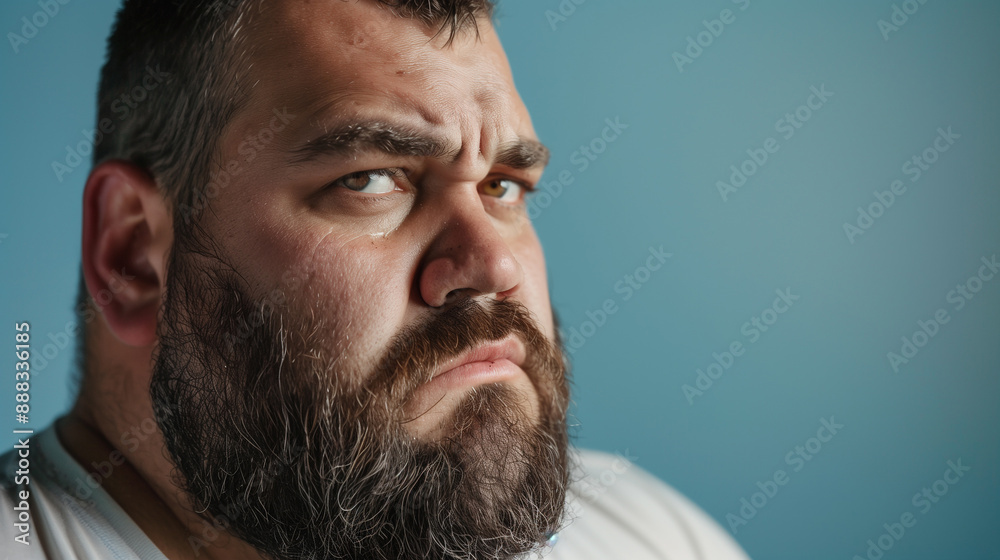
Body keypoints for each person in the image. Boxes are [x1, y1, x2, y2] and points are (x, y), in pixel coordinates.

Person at [1, 1, 751, 558]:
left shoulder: (649, 535)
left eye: (502, 186)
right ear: (133, 255)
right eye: (370, 179)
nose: (494, 266)